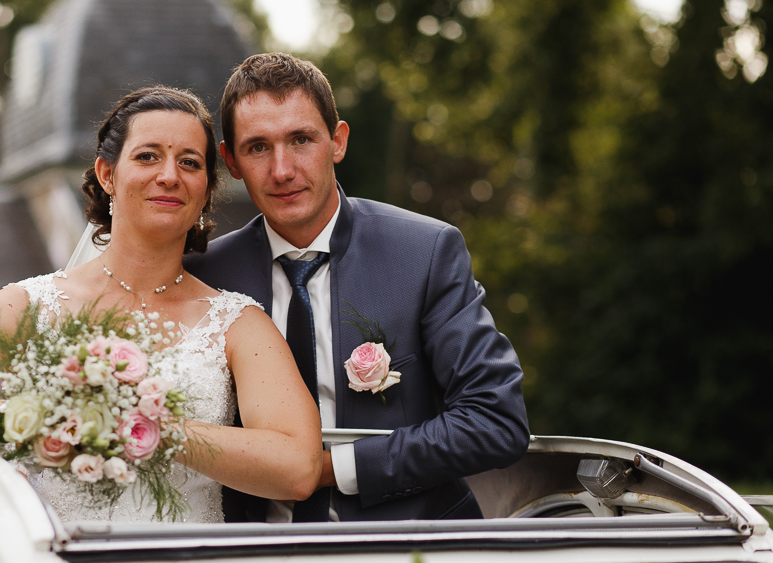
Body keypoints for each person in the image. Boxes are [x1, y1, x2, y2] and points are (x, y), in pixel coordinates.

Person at [0, 86, 323, 524]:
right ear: (107, 174)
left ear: (205, 190)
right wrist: (29, 415)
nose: (168, 176)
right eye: (148, 156)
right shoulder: (28, 307)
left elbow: (298, 469)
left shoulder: (236, 322)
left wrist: (158, 429)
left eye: (190, 162)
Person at [184, 53, 530, 523]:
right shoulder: (202, 275)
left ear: (337, 141)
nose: (282, 169)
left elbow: (495, 421)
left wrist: (328, 470)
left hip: (408, 557)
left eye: (301, 139)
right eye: (258, 147)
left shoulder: (424, 253)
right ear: (231, 161)